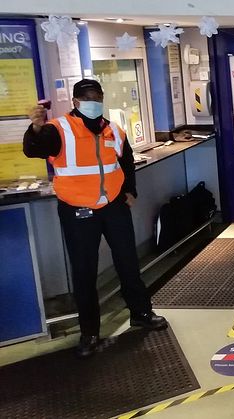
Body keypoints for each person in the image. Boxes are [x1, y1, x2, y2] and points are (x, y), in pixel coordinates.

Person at [23, 79, 167, 359]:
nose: (93, 102)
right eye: (87, 98)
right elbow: (34, 149)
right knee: (84, 271)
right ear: (76, 101)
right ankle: (90, 331)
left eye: (97, 97)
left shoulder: (113, 129)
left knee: (128, 262)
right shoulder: (59, 129)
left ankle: (141, 313)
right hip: (78, 210)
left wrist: (129, 191)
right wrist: (37, 126)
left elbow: (125, 162)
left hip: (113, 206)